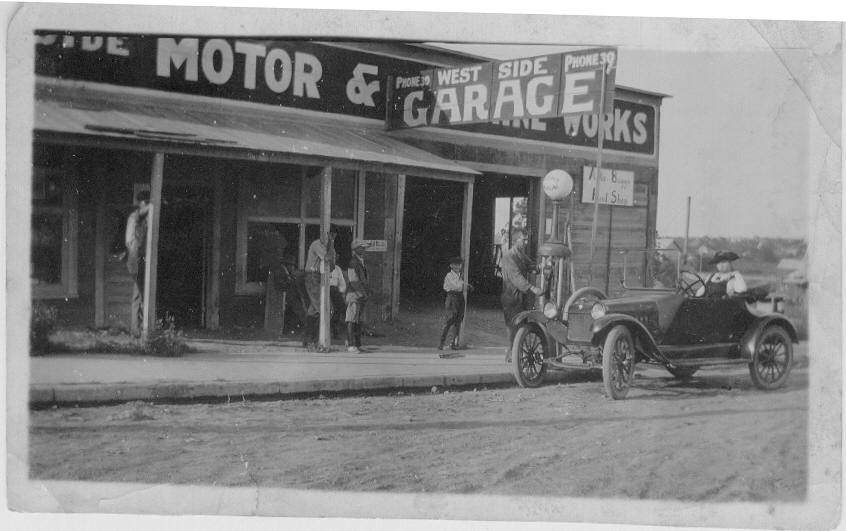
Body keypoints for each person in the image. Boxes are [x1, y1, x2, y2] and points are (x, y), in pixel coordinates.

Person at [501, 228, 543, 362]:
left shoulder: (520, 255)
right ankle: (512, 355)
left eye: (527, 240)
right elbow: (517, 278)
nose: (526, 242)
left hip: (521, 297)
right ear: (515, 240)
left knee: (522, 327)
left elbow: (532, 267)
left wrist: (543, 266)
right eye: (523, 240)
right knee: (513, 327)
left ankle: (516, 354)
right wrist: (533, 288)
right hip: (511, 297)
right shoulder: (509, 256)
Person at [303, 225, 337, 349]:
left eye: (332, 235)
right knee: (326, 309)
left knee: (314, 310)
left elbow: (332, 266)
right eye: (329, 234)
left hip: (321, 278)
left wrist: (331, 246)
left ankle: (309, 340)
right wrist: (331, 244)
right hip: (313, 277)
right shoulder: (316, 244)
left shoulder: (330, 247)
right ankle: (316, 340)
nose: (329, 237)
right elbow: (327, 258)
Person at [125, 190, 151, 338]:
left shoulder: (140, 218)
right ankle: (143, 329)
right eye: (146, 202)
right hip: (136, 257)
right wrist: (154, 204)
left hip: (138, 256)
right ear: (142, 203)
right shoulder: (135, 216)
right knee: (143, 294)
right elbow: (143, 212)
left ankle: (135, 329)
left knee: (137, 294)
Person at [438, 256, 473, 351]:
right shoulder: (449, 276)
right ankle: (441, 343)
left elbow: (462, 285)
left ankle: (452, 343)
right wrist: (463, 283)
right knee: (449, 320)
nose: (457, 267)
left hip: (460, 297)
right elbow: (456, 286)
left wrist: (467, 285)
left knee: (458, 320)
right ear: (451, 265)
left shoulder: (460, 276)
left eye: (459, 265)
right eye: (455, 265)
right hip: (452, 297)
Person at [345, 239, 371, 353]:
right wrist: (362, 294)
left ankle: (357, 344)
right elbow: (354, 280)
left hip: (359, 295)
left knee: (357, 320)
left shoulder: (359, 261)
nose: (364, 249)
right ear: (356, 249)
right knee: (351, 320)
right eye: (362, 247)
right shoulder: (353, 262)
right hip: (355, 295)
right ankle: (351, 345)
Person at [329, 263, 347, 339]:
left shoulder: (337, 268)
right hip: (324, 290)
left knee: (340, 307)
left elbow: (342, 283)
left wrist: (338, 289)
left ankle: (335, 331)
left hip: (334, 291)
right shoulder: (322, 266)